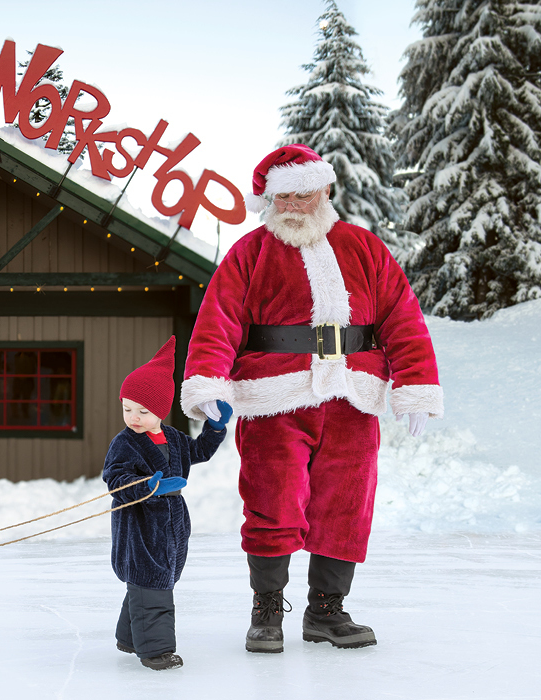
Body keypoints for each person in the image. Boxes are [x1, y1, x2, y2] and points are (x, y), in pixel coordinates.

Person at [180, 144, 444, 654]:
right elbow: (218, 320)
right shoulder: (249, 254)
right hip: (273, 398)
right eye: (284, 197)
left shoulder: (365, 248)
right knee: (271, 502)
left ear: (325, 190)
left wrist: (414, 388)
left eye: (305, 193)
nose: (296, 204)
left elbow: (402, 320)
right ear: (269, 201)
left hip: (353, 396)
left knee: (346, 505)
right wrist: (210, 380)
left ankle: (327, 609)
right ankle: (267, 606)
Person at [103, 336, 231, 671]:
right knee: (152, 582)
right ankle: (156, 651)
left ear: (161, 409)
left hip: (173, 522)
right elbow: (114, 480)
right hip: (141, 523)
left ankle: (130, 637)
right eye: (127, 408)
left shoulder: (173, 438)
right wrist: (149, 486)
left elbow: (198, 452)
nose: (133, 417)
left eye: (143, 411)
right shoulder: (125, 443)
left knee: (152, 581)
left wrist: (215, 428)